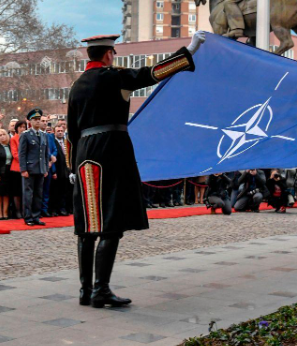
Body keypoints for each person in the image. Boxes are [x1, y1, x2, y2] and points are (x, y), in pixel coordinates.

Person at [67, 32, 205, 307]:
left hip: (84, 154)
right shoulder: (115, 78)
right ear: (108, 54)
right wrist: (192, 48)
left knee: (88, 224)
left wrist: (72, 164)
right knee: (111, 222)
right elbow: (155, 72)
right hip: (110, 150)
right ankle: (101, 290)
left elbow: (71, 132)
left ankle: (85, 290)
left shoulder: (77, 85)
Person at [19, 109, 50, 226]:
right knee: (28, 194)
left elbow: (46, 153)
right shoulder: (26, 135)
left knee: (38, 193)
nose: (37, 122)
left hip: (40, 169)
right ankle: (28, 217)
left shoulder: (43, 135)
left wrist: (46, 168)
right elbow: (22, 153)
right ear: (30, 121)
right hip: (30, 168)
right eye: (35, 120)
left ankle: (36, 216)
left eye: (39, 120)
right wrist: (23, 169)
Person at [50, 122, 72, 216]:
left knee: (65, 191)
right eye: (58, 131)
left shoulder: (67, 142)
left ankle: (63, 208)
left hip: (66, 171)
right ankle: (54, 209)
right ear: (54, 133)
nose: (60, 132)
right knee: (55, 191)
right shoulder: (53, 143)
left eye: (61, 131)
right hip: (57, 171)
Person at [8, 120, 26, 218]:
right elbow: (15, 154)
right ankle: (18, 210)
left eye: (24, 127)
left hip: (27, 167)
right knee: (17, 191)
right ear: (17, 128)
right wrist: (25, 160)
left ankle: (25, 210)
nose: (22, 129)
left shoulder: (27, 137)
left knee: (26, 191)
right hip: (17, 167)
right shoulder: (14, 139)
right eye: (20, 127)